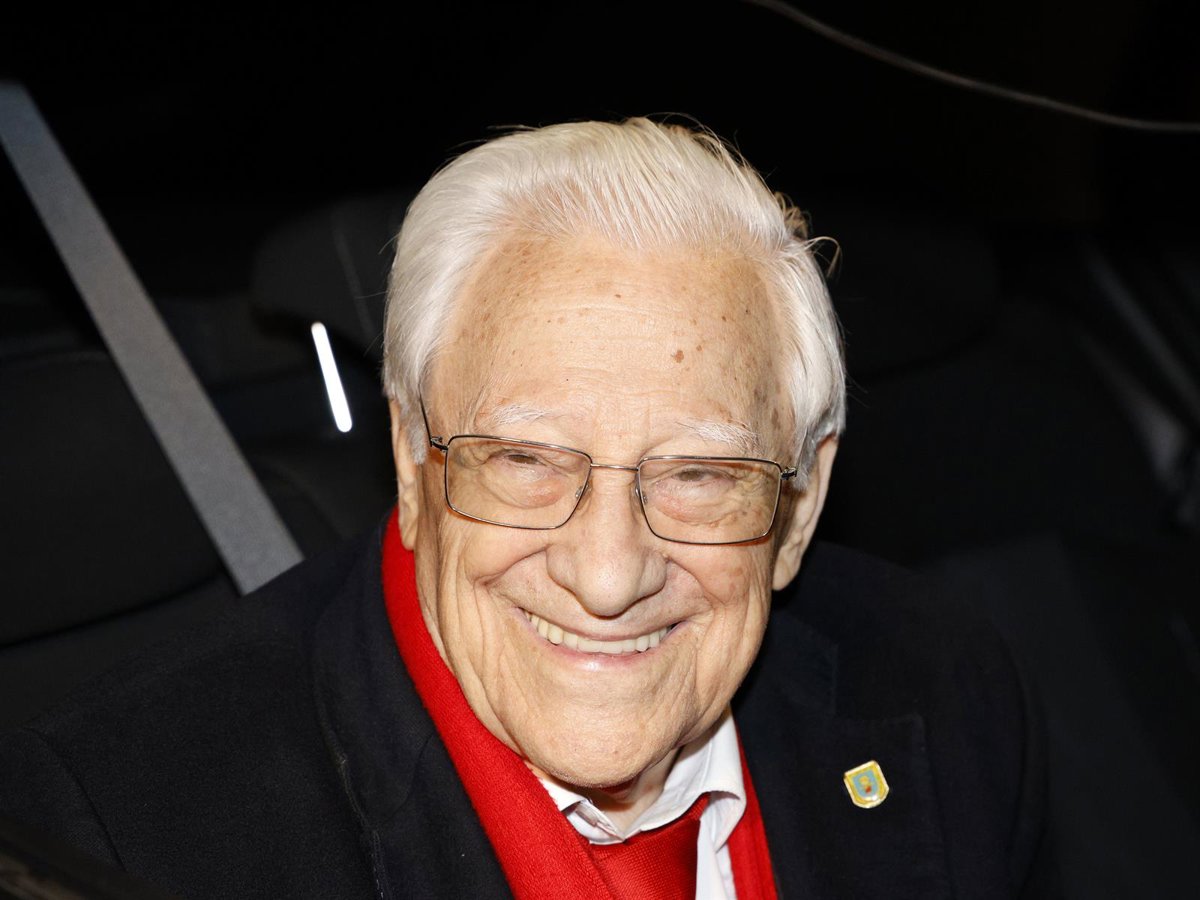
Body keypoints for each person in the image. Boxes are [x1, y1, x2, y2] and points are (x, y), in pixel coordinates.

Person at [0, 119, 1054, 898]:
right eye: (525, 461)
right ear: (412, 461)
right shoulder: (114, 835)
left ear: (802, 503)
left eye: (698, 475)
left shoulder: (943, 689)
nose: (608, 575)